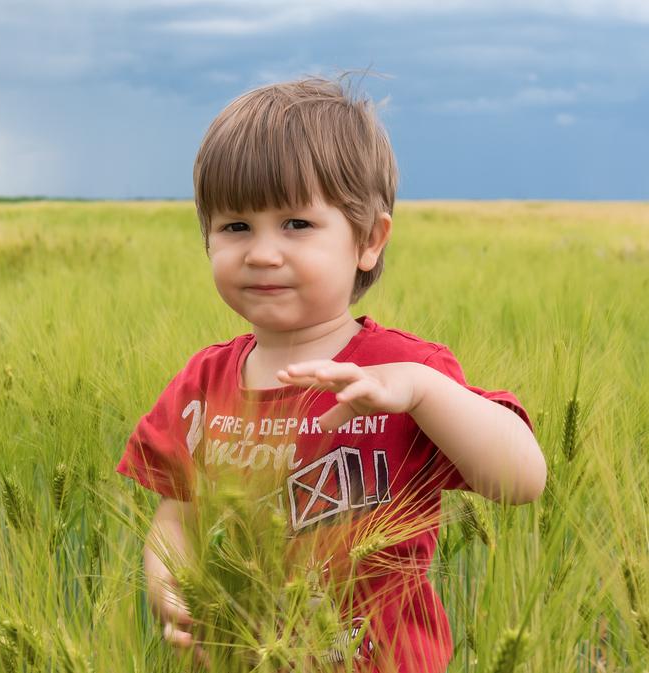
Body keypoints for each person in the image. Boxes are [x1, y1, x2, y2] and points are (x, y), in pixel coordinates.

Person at [114, 75, 546, 672]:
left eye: (297, 224)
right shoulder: (202, 384)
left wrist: (422, 394)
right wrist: (170, 582)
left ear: (369, 240)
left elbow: (521, 480)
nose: (262, 252)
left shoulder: (406, 373)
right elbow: (177, 518)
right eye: (235, 226)